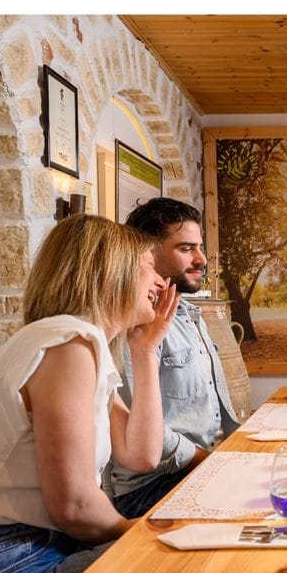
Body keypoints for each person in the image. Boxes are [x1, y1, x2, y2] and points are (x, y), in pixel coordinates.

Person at [0, 214, 177, 573]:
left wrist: (145, 352)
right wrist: (142, 533)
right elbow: (73, 504)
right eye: (150, 267)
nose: (162, 283)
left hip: (17, 553)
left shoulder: (76, 344)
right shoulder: (65, 343)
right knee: (174, 569)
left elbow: (141, 455)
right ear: (111, 272)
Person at [110, 197, 240, 519]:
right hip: (151, 486)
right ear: (149, 254)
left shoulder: (190, 315)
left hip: (200, 464)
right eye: (186, 249)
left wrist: (239, 453)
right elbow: (133, 430)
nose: (202, 259)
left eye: (200, 247)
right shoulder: (133, 326)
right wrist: (210, 461)